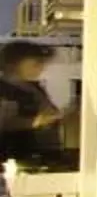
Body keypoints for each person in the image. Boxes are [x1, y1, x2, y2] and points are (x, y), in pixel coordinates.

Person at [0, 41, 63, 173]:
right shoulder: (4, 89)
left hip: (36, 155)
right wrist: (33, 122)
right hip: (10, 158)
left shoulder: (34, 88)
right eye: (35, 64)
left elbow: (50, 111)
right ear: (12, 65)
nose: (41, 68)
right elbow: (5, 122)